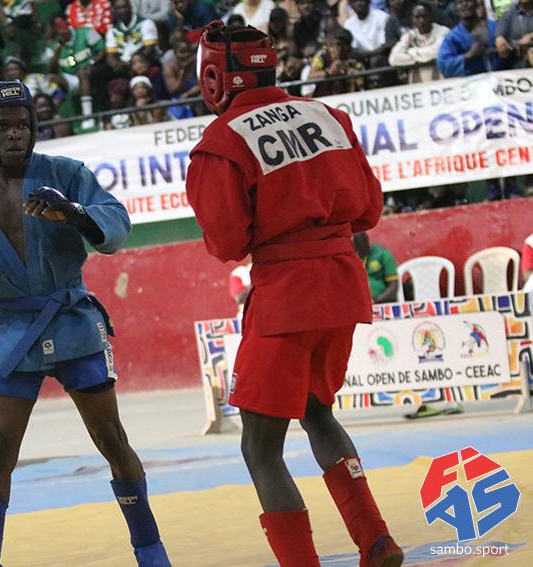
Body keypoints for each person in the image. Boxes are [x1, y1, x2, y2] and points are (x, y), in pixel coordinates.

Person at [0, 81, 172, 567]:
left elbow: (115, 223)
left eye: (23, 124)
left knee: (112, 439)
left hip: (73, 321)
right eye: (2, 126)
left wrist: (75, 214)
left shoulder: (65, 173)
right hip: (13, 331)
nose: (15, 134)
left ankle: (151, 552)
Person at [186, 22, 403, 567]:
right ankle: (376, 540)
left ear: (213, 76)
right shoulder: (329, 117)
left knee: (260, 447)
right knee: (317, 411)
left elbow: (227, 244)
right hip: (344, 285)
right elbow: (369, 210)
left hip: (286, 296)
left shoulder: (221, 143)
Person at [389, 1, 451, 82]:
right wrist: (418, 59)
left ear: (431, 17)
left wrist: (411, 52)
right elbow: (393, 59)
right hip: (419, 83)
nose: (421, 20)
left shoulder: (443, 31)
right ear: (412, 19)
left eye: (424, 16)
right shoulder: (409, 35)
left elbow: (436, 52)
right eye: (417, 17)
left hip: (441, 80)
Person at [437, 0, 501, 76]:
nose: (464, 5)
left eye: (468, 1)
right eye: (460, 2)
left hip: (501, 78)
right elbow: (443, 65)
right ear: (456, 8)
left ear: (476, 3)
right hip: (472, 81)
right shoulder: (453, 37)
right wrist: (469, 55)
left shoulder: (495, 27)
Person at [353, 232, 400, 304]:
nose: (357, 253)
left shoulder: (382, 254)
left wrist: (376, 301)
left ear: (367, 243)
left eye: (359, 248)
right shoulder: (349, 257)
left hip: (380, 302)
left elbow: (393, 286)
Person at [343, 0, 391, 69]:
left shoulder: (382, 16)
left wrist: (365, 55)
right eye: (354, 1)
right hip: (361, 59)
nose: (359, 3)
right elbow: (352, 49)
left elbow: (385, 47)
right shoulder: (348, 24)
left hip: (382, 57)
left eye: (362, 0)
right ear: (350, 5)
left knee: (375, 60)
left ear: (369, 2)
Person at [495, 0, 533, 69]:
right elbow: (499, 38)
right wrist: (518, 43)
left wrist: (531, 37)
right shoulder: (507, 16)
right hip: (517, 69)